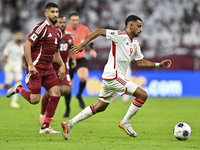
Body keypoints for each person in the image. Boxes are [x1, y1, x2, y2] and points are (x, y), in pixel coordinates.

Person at [61, 14, 172, 140]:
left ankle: (69, 123)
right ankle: (125, 122)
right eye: (139, 26)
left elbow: (140, 62)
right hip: (113, 75)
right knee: (143, 95)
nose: (141, 29)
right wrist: (83, 44)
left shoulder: (135, 44)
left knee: (100, 107)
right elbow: (99, 31)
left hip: (113, 78)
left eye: (141, 27)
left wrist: (158, 64)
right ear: (130, 26)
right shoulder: (119, 35)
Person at [6, 2, 65, 134]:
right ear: (46, 14)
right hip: (36, 68)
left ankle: (45, 127)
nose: (55, 14)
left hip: (49, 69)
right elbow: (26, 46)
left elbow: (56, 53)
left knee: (56, 93)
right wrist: (31, 65)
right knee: (34, 100)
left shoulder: (58, 33)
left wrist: (62, 65)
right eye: (52, 12)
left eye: (57, 12)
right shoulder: (41, 28)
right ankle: (19, 88)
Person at [39, 16, 76, 122]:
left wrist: (73, 59)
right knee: (47, 93)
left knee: (66, 90)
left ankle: (54, 95)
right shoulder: (52, 36)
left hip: (64, 66)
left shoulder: (70, 37)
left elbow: (71, 49)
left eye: (64, 22)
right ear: (56, 23)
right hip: (50, 67)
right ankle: (42, 114)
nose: (63, 24)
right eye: (60, 22)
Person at [64, 11, 97, 112]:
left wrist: (92, 49)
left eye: (77, 20)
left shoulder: (84, 28)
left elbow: (91, 39)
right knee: (68, 87)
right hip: (68, 59)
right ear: (69, 21)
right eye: (73, 20)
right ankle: (68, 107)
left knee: (83, 77)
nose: (75, 22)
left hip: (80, 59)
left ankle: (79, 95)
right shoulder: (64, 29)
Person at [0, 32, 24, 108]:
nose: (19, 37)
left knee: (18, 84)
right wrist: (8, 65)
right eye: (18, 35)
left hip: (18, 68)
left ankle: (14, 102)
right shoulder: (10, 45)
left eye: (21, 36)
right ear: (15, 37)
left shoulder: (22, 46)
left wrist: (23, 64)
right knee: (8, 85)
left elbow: (20, 57)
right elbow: (4, 56)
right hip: (10, 67)